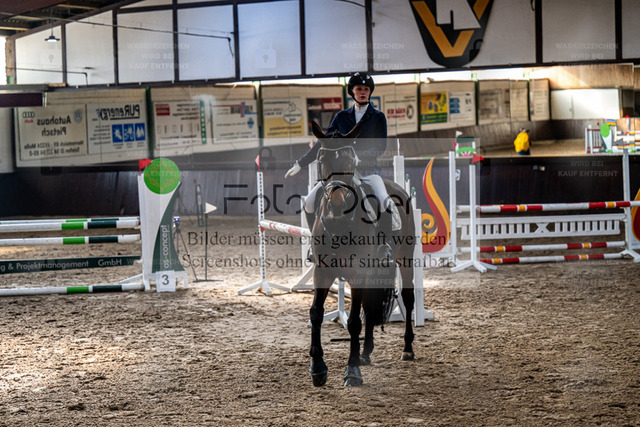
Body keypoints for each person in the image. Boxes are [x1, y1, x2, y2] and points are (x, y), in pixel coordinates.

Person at [285, 72, 396, 258]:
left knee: (384, 201)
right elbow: (323, 141)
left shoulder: (378, 117)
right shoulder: (341, 117)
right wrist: (301, 163)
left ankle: (384, 245)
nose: (363, 92)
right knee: (309, 202)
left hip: (368, 170)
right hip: (340, 172)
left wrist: (359, 157)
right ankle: (315, 243)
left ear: (370, 92)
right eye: (359, 89)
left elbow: (380, 146)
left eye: (366, 89)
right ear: (352, 91)